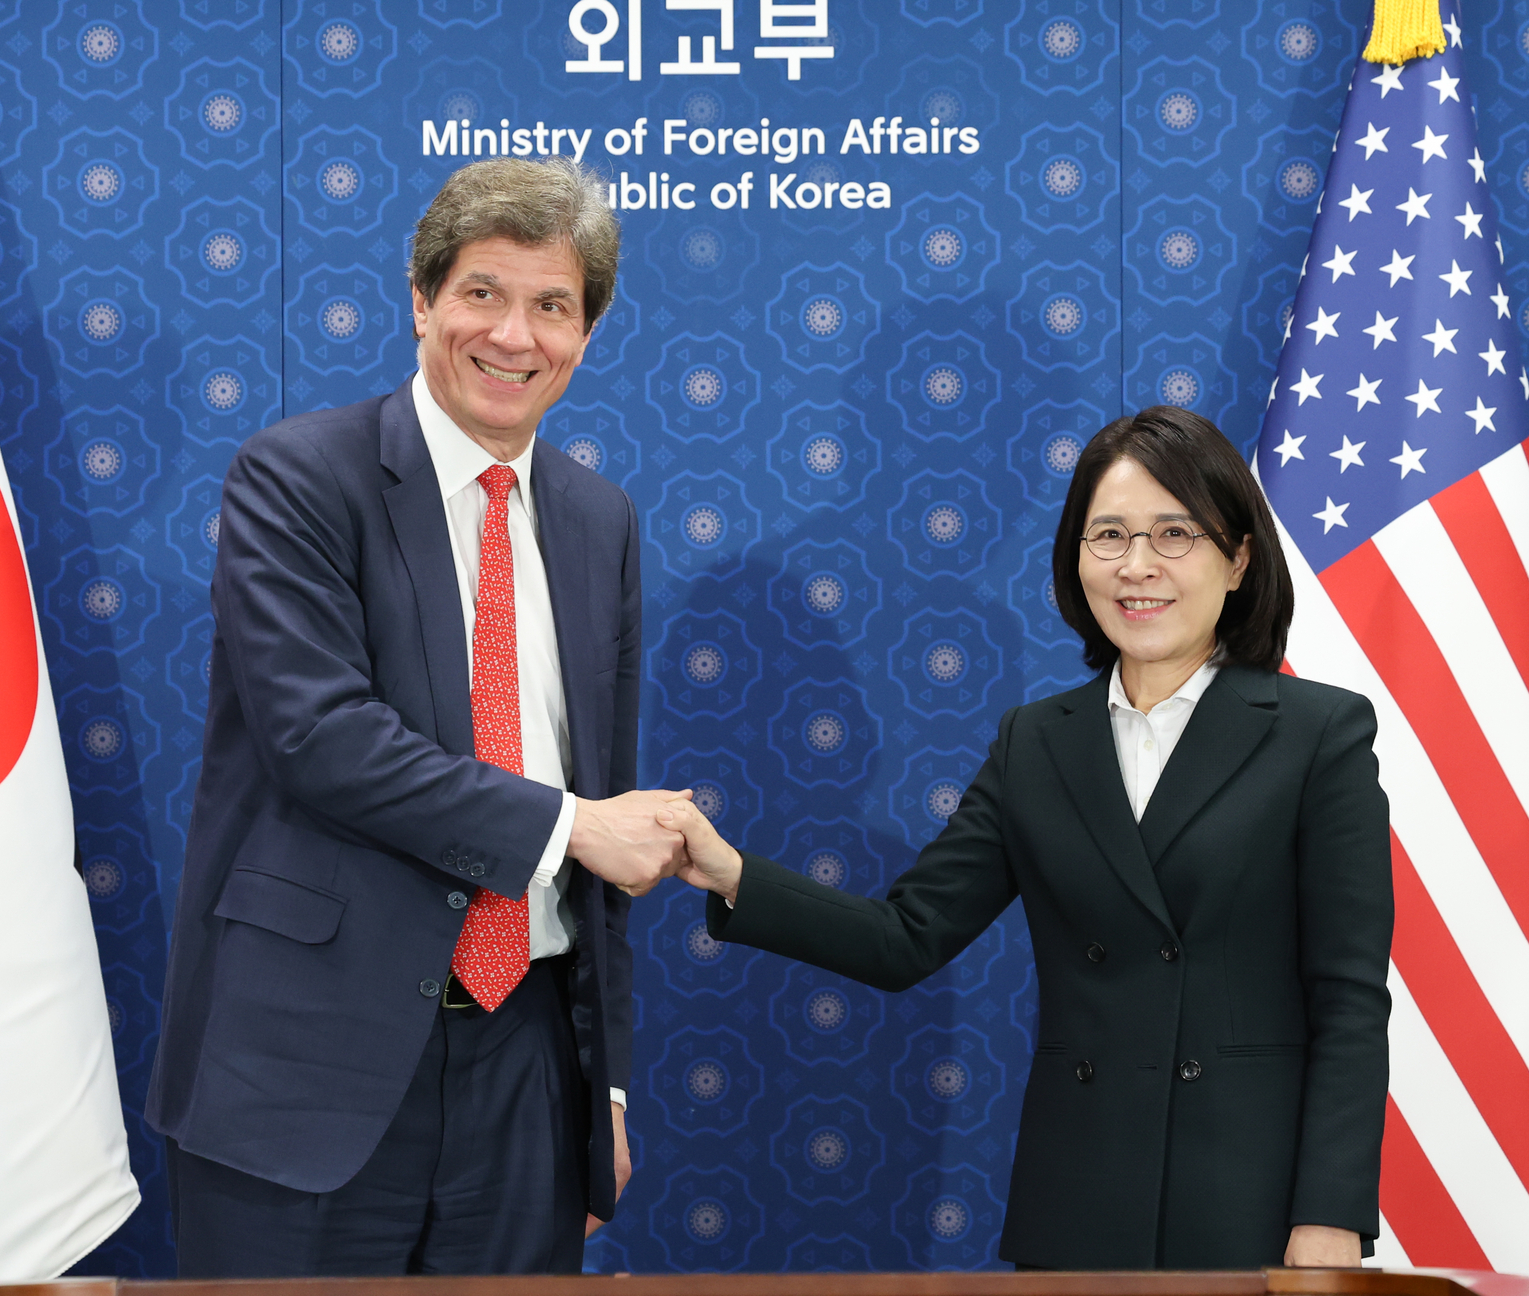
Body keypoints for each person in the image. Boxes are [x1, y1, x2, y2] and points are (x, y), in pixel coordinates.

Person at [658, 405, 1393, 1270]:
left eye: (1174, 535)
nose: (1137, 566)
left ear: (1236, 560)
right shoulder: (1035, 742)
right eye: (1107, 535)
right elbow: (904, 938)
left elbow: (1348, 1000)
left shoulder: (1317, 734)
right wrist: (732, 872)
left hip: (1253, 1207)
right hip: (1078, 1203)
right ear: (1073, 559)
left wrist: (1329, 1215)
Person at [146, 156, 691, 1277]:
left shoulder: (600, 521)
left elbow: (609, 803)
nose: (514, 336)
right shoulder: (298, 478)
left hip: (529, 1070)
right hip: (305, 1067)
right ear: (421, 300)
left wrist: (606, 1085)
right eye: (482, 293)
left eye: (553, 306)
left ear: (586, 334)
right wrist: (569, 827)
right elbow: (322, 737)